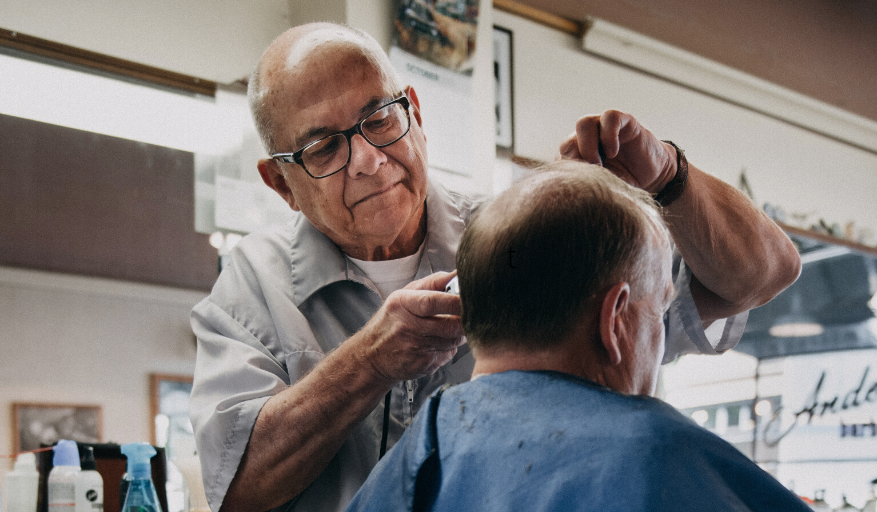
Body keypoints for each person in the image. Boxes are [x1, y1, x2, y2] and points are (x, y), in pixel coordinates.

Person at [188, 22, 800, 512]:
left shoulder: (519, 228)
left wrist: (667, 173)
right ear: (280, 183)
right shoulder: (251, 290)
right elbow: (237, 489)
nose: (369, 161)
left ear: (415, 112)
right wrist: (370, 361)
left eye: (379, 118)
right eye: (324, 146)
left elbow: (761, 276)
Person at [346, 161, 811, 512]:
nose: (661, 330)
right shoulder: (663, 457)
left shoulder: (411, 460)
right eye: (660, 308)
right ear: (615, 320)